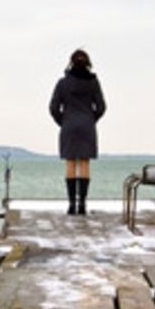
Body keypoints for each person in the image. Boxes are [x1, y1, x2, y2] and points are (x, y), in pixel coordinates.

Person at [49, 49, 106, 214]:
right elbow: (101, 107)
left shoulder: (63, 83)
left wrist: (63, 121)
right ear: (88, 63)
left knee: (71, 164)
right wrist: (90, 119)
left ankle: (71, 204)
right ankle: (82, 204)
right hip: (87, 125)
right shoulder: (93, 82)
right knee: (84, 164)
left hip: (69, 126)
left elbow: (53, 107)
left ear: (71, 63)